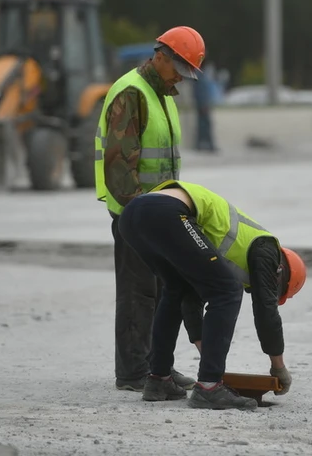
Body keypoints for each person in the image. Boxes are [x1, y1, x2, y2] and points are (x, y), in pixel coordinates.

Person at [117, 179, 307, 411]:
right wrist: (278, 367)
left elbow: (191, 300)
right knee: (227, 291)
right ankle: (209, 389)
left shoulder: (234, 250)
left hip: (133, 215)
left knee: (177, 289)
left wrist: (207, 354)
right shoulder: (267, 248)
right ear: (282, 273)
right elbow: (266, 310)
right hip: (165, 212)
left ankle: (159, 379)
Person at [94, 25, 207, 392]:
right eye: (179, 68)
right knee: (138, 293)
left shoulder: (162, 94)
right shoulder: (132, 93)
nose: (181, 77)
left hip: (158, 215)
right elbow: (119, 165)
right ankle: (133, 372)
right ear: (161, 56)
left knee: (162, 292)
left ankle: (158, 368)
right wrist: (138, 218)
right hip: (137, 216)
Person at [193, 65, 217, 152]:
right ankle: (205, 145)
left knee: (204, 125)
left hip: (204, 103)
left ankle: (203, 145)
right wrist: (202, 103)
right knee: (204, 125)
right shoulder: (199, 75)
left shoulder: (201, 74)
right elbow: (199, 91)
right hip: (202, 104)